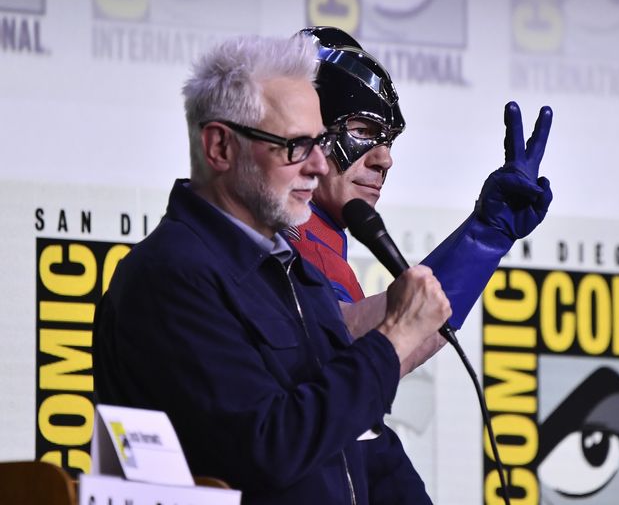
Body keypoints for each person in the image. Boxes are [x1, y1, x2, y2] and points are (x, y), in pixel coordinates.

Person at [92, 33, 452, 505]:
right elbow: (268, 447)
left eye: (321, 143)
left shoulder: (293, 272)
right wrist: (392, 342)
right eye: (297, 146)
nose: (320, 166)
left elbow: (360, 439)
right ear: (220, 147)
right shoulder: (171, 276)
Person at [289, 27, 553, 370]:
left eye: (389, 141)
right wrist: (482, 239)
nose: (384, 160)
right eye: (364, 131)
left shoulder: (319, 241)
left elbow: (378, 360)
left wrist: (485, 237)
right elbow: (346, 348)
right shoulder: (286, 239)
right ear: (305, 130)